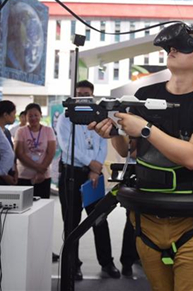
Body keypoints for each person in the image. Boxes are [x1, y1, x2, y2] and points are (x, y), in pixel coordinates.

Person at [90, 23, 193, 291]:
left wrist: (145, 128)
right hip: (148, 220)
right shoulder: (144, 96)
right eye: (171, 47)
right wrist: (113, 133)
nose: (173, 49)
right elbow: (129, 151)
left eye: (185, 45)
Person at [56, 80, 119, 280]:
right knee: (72, 222)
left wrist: (95, 167)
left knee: (99, 219)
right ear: (74, 96)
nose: (82, 96)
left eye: (86, 93)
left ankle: (107, 262)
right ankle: (73, 265)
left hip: (93, 174)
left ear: (91, 95)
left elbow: (103, 143)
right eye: (79, 93)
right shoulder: (65, 118)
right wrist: (91, 163)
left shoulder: (98, 115)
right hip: (71, 173)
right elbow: (66, 146)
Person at [15, 103, 56, 198]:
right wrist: (39, 168)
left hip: (44, 176)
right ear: (25, 117)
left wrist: (41, 171)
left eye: (36, 115)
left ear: (41, 115)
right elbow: (19, 153)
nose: (33, 118)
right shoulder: (20, 131)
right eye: (30, 116)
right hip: (24, 176)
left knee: (43, 206)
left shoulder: (48, 130)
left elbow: (51, 152)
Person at [0, 100, 17, 185]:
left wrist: (15, 171)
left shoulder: (7, 132)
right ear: (5, 114)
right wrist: (4, 175)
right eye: (13, 113)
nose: (15, 117)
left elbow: (11, 153)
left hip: (9, 174)